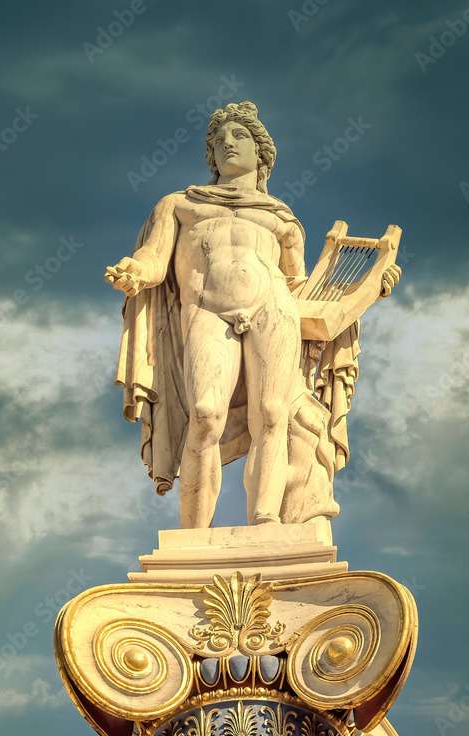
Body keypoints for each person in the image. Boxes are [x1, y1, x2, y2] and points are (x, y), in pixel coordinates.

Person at [107, 101, 315, 529]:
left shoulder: (282, 219)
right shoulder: (181, 204)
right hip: (206, 308)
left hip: (271, 307)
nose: (227, 144)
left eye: (239, 137)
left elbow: (302, 287)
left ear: (262, 153)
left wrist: (374, 285)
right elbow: (153, 257)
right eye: (218, 140)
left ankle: (265, 520)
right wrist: (135, 271)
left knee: (273, 412)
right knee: (204, 413)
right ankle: (194, 534)